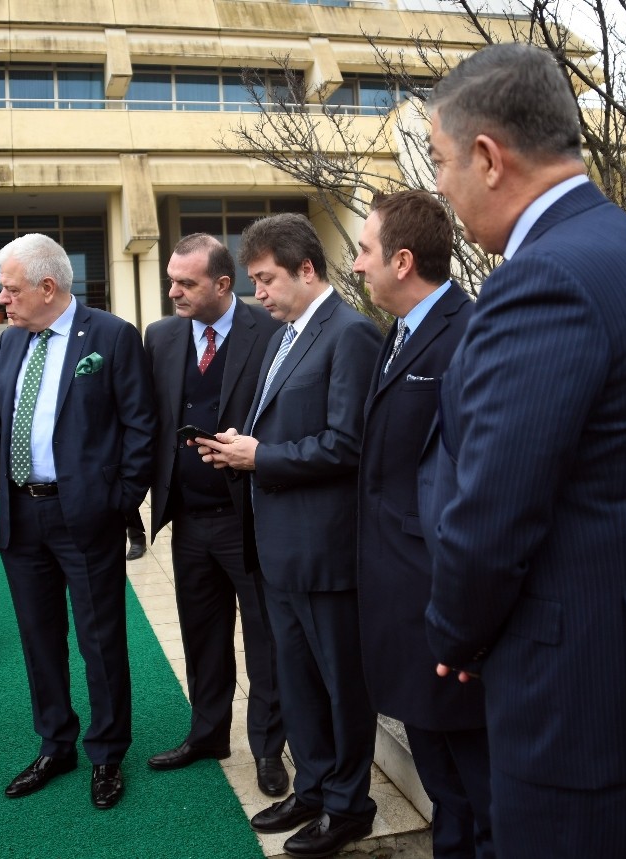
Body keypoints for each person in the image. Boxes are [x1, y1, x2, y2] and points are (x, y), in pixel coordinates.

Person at [422, 43, 626, 858]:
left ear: (488, 157)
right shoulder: (616, 245)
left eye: (442, 162)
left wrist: (453, 635)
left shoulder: (547, 278)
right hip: (620, 670)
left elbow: (491, 514)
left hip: (573, 695)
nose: (440, 188)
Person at [200, 213, 382, 859]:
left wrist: (261, 457)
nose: (259, 294)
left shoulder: (351, 334)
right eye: (254, 281)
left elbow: (347, 444)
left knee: (340, 685)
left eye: (267, 279)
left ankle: (349, 805)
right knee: (297, 683)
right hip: (277, 549)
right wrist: (239, 449)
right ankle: (312, 787)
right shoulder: (284, 335)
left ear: (308, 269)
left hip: (327, 553)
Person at [0, 233, 155, 810]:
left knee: (101, 639)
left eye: (11, 287)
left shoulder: (112, 337)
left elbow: (140, 428)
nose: (1, 298)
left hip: (85, 518)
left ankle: (106, 753)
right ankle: (56, 744)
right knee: (39, 639)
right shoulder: (7, 343)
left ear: (49, 287)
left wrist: (115, 503)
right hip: (21, 517)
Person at [353, 190, 491, 859]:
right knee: (444, 786)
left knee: (481, 791)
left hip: (445, 612)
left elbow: (480, 490)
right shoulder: (399, 331)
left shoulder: (471, 334)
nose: (355, 265)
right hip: (402, 609)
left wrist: (468, 621)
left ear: (402, 260)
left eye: (364, 250)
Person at [143, 233, 287, 795]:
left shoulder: (271, 333)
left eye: (186, 283)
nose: (173, 291)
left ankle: (269, 751)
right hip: (188, 518)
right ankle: (207, 733)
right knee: (202, 635)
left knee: (264, 640)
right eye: (171, 280)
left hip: (249, 518)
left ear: (223, 285)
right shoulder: (159, 337)